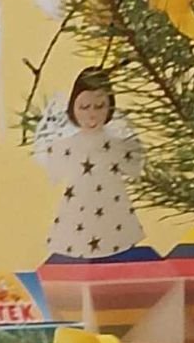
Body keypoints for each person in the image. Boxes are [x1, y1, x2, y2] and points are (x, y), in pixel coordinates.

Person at [34, 63, 146, 261]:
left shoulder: (117, 144)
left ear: (110, 107)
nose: (92, 114)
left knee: (119, 251)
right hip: (78, 207)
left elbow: (134, 164)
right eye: (84, 107)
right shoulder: (68, 144)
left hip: (113, 208)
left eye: (99, 106)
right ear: (73, 107)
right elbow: (54, 166)